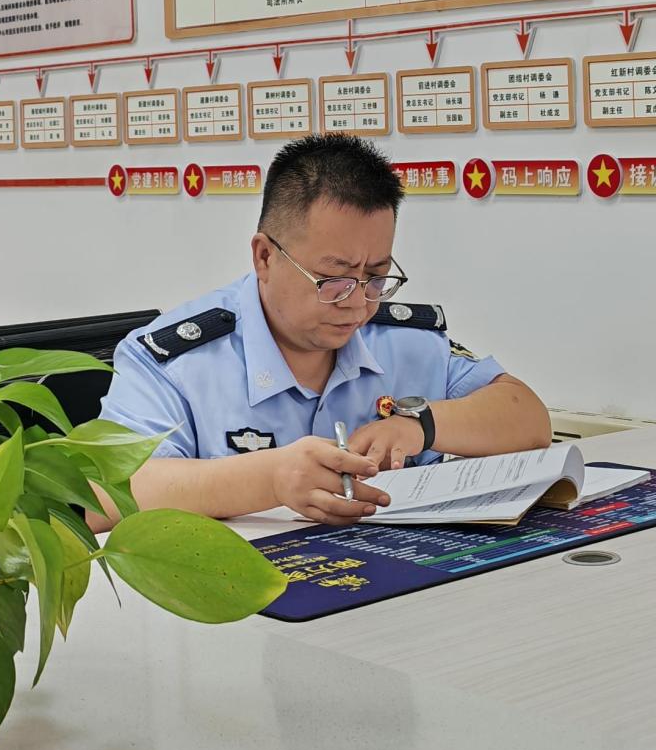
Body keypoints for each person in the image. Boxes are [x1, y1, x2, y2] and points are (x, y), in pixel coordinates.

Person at [98, 132, 551, 524]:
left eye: (376, 276)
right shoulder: (175, 360)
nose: (357, 303)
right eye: (333, 279)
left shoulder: (404, 341)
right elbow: (105, 498)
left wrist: (422, 425)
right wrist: (270, 479)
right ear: (264, 257)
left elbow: (528, 417)